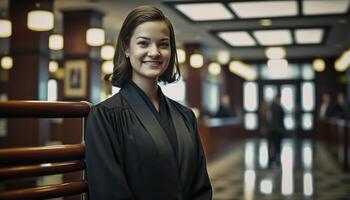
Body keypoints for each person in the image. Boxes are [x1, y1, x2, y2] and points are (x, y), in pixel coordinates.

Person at [85, 6, 212, 200]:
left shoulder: (186, 116)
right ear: (126, 48)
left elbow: (201, 187)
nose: (155, 52)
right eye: (143, 43)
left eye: (163, 44)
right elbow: (108, 192)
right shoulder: (105, 116)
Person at [268, 94, 284, 167]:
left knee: (272, 145)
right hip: (277, 130)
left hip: (272, 129)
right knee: (277, 145)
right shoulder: (279, 108)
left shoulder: (271, 107)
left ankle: (272, 159)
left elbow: (269, 118)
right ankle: (276, 159)